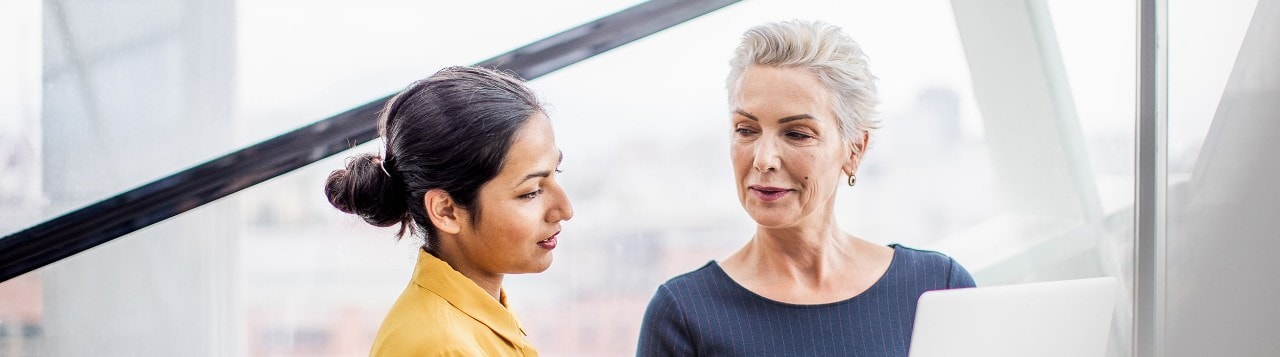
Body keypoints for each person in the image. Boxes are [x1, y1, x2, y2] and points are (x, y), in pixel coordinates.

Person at [636, 20, 975, 356]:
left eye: (797, 134)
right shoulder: (683, 314)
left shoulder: (936, 286)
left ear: (854, 149)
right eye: (746, 129)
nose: (763, 159)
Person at [325, 66, 573, 356]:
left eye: (556, 172)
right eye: (530, 192)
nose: (564, 209)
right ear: (446, 210)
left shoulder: (479, 317)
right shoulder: (442, 347)